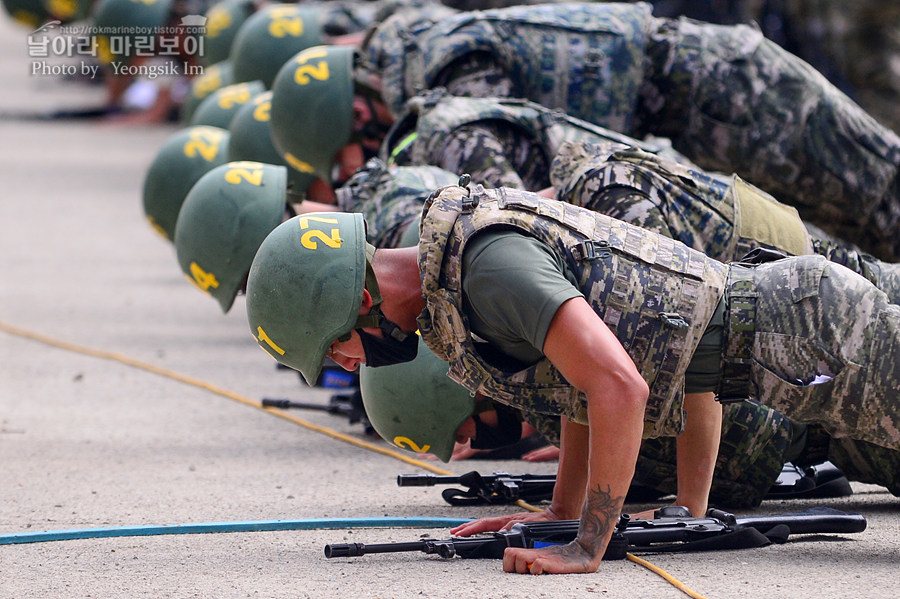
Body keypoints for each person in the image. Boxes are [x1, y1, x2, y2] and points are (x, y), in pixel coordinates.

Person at [245, 183, 900, 574]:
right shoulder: (457, 284)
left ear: (358, 304)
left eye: (337, 350)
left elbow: (619, 386)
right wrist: (559, 514)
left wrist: (590, 542)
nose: (348, 366)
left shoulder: (483, 269)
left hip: (812, 334)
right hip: (787, 349)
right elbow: (587, 390)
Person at [279, 2, 900, 260]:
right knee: (851, 231)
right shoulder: (413, 56)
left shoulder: (443, 67)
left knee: (882, 199)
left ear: (359, 117)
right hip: (696, 112)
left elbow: (503, 204)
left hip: (733, 91)